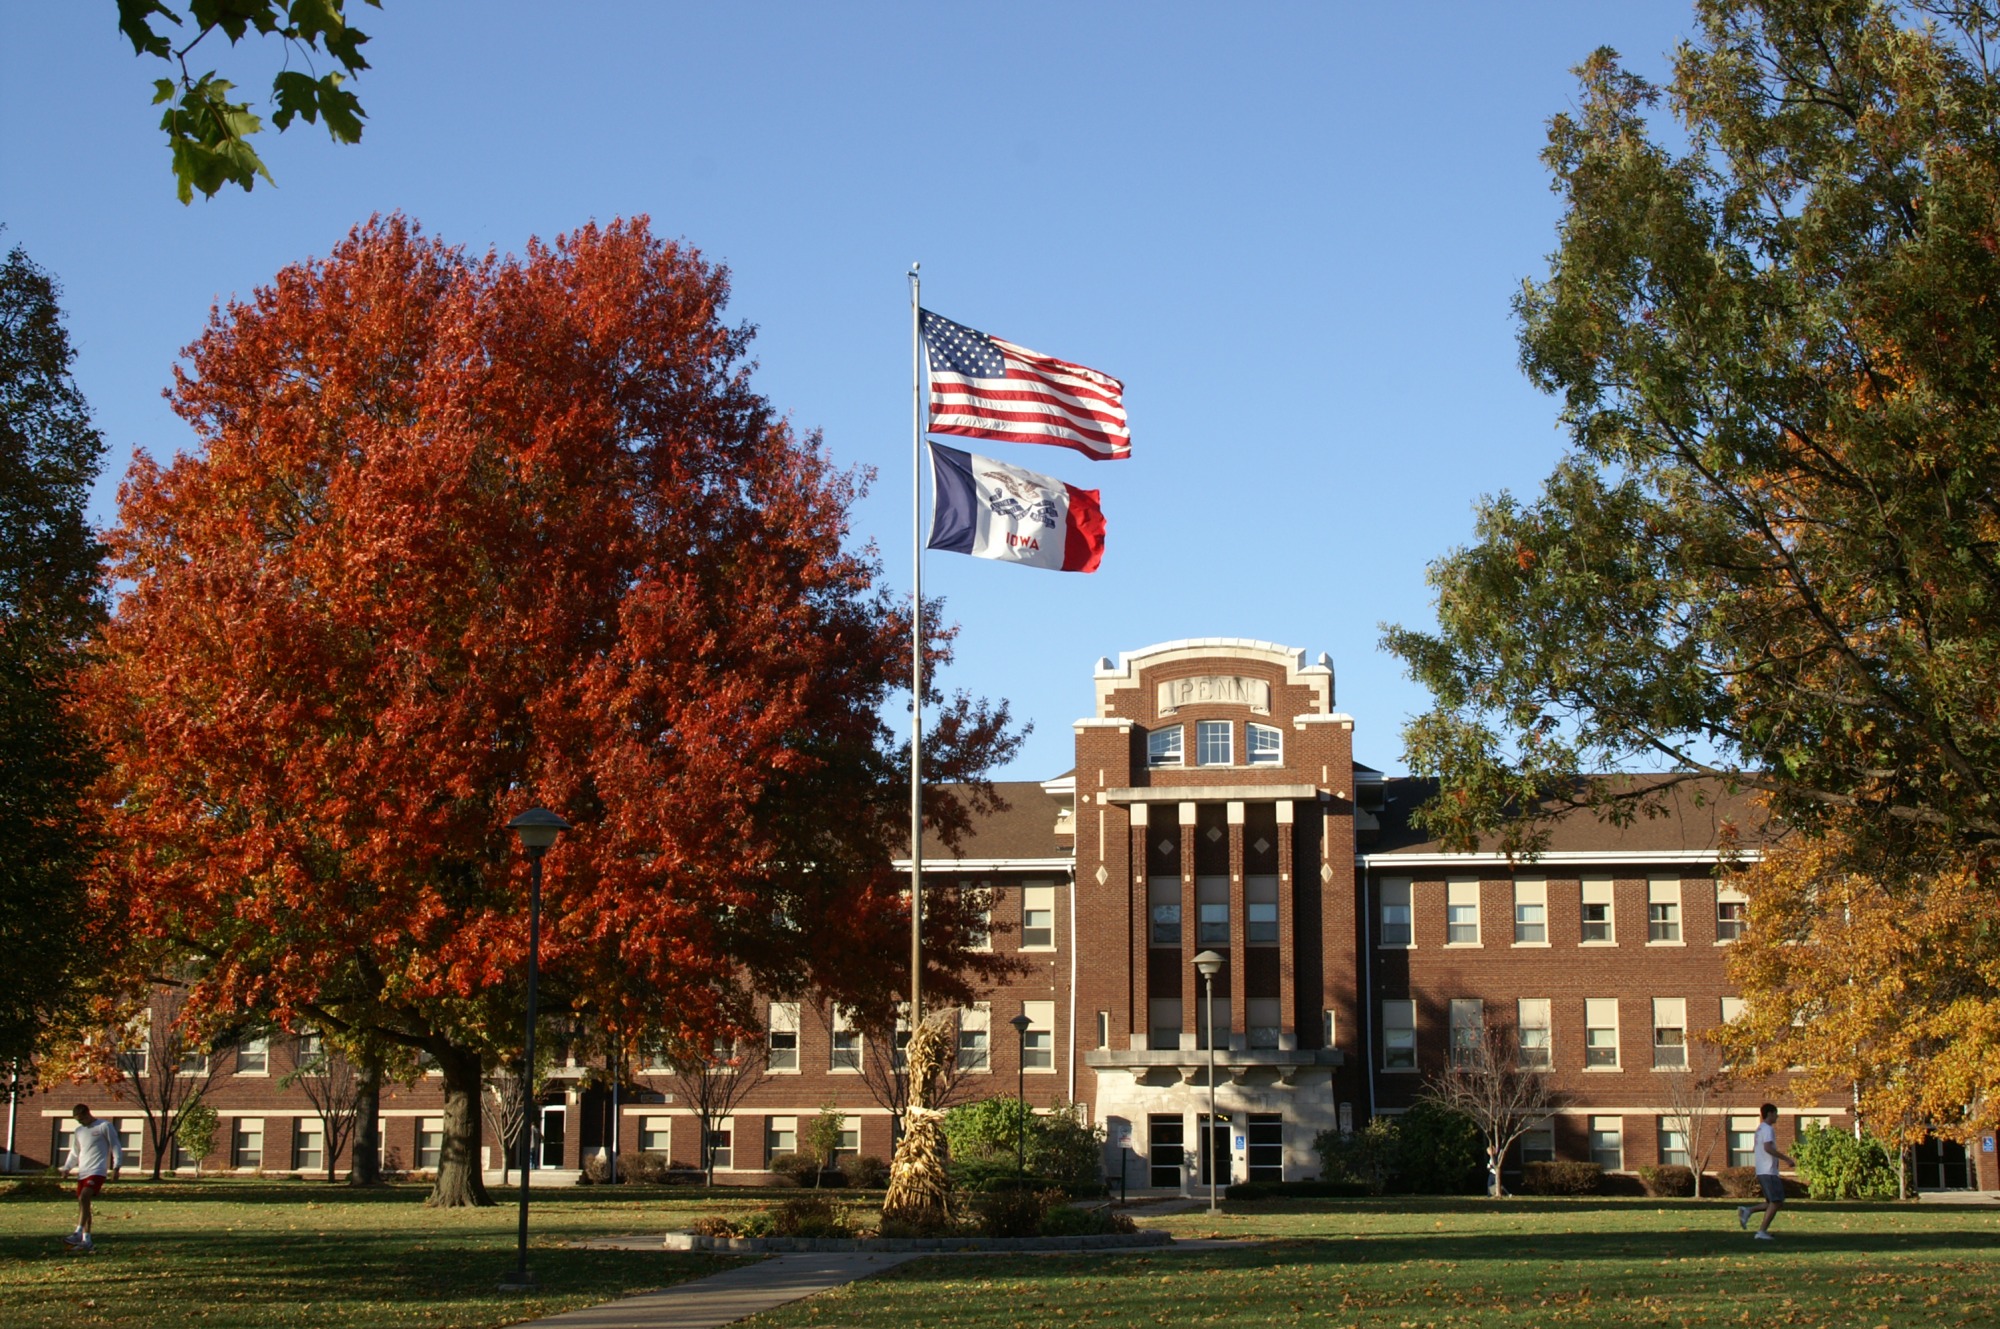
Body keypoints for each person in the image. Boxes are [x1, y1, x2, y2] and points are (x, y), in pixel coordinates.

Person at [60, 1104, 122, 1254]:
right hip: (83, 1172)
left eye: (82, 1119)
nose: (80, 1122)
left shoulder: (104, 1126)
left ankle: (77, 1232)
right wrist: (67, 1167)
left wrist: (116, 1166)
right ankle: (86, 1240)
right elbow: (75, 1152)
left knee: (84, 1197)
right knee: (83, 1205)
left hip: (97, 1171)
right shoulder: (79, 1131)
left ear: (88, 1114)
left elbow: (115, 1145)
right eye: (77, 1120)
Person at [1738, 1102, 1793, 1241]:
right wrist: (1786, 1159)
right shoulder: (1768, 1129)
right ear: (1769, 1114)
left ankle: (1748, 1211)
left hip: (1763, 1170)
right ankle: (1761, 1231)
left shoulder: (1760, 1129)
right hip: (1768, 1171)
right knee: (1776, 1202)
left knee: (1774, 1202)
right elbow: (1768, 1148)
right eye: (1776, 1113)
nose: (1777, 1116)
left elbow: (1755, 1148)